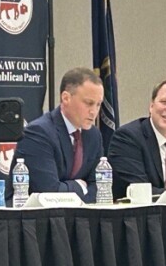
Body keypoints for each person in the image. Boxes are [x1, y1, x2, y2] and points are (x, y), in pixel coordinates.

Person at [7, 67, 104, 204]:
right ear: (66, 98)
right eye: (88, 103)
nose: (94, 112)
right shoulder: (38, 133)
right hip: (33, 220)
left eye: (98, 105)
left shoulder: (93, 135)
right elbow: (49, 192)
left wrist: (71, 190)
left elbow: (101, 189)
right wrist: (80, 186)